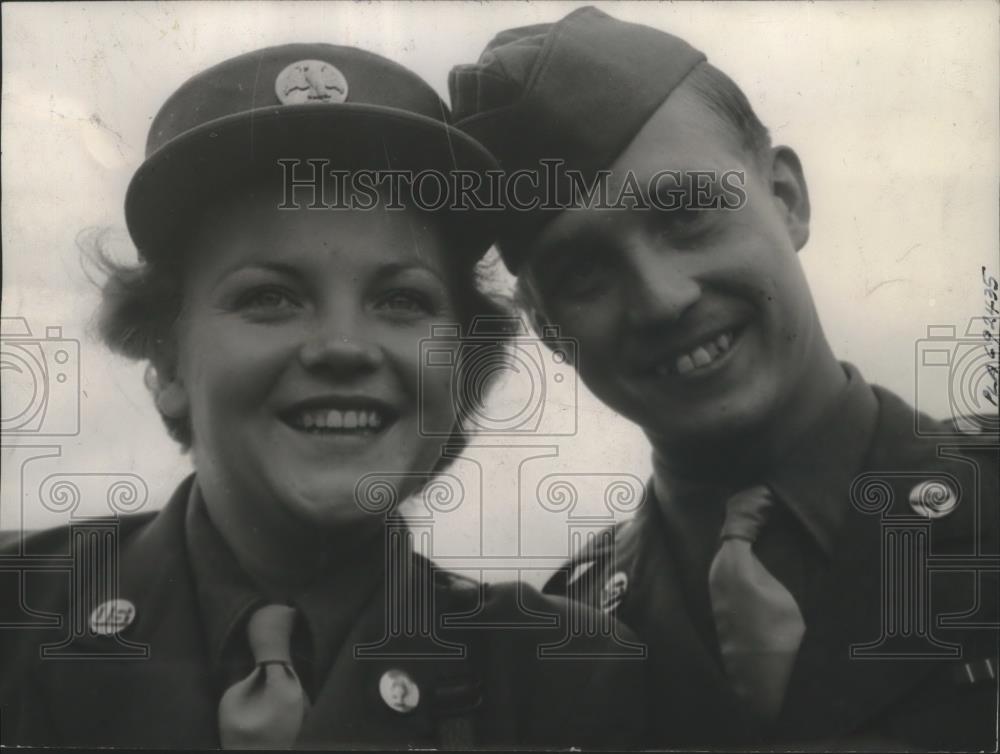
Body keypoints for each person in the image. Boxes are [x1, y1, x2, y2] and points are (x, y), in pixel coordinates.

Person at [0, 42, 645, 749]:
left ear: (460, 366)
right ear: (168, 361)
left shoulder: (572, 675)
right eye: (270, 297)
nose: (344, 347)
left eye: (401, 300)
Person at [448, 7, 998, 750]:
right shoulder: (555, 647)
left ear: (787, 198)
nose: (662, 297)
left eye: (687, 214)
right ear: (546, 330)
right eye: (584, 274)